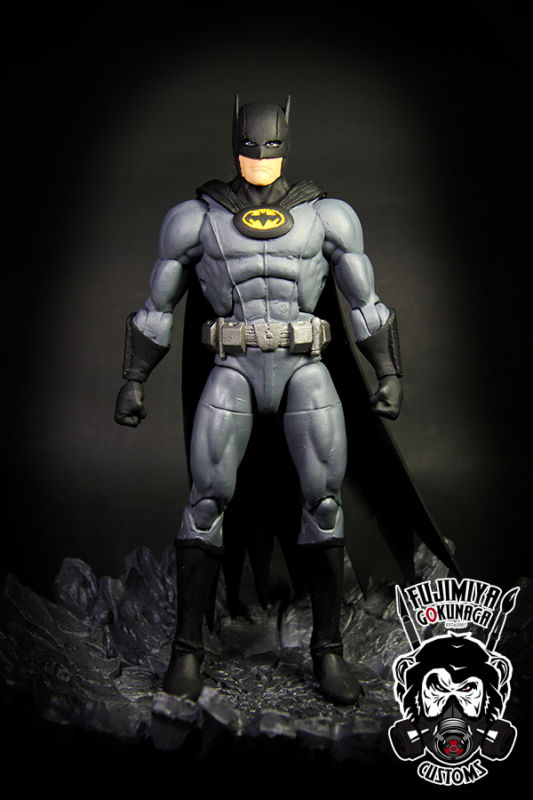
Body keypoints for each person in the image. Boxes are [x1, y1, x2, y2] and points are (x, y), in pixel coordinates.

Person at [115, 97, 404, 706]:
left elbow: (363, 301)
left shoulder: (327, 216)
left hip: (305, 369)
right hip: (233, 368)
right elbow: (158, 305)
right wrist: (135, 377)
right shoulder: (196, 219)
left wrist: (387, 370)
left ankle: (328, 652)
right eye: (251, 150)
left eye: (271, 149)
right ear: (235, 146)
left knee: (323, 500)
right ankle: (186, 651)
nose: (261, 160)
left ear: (287, 145)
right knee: (206, 500)